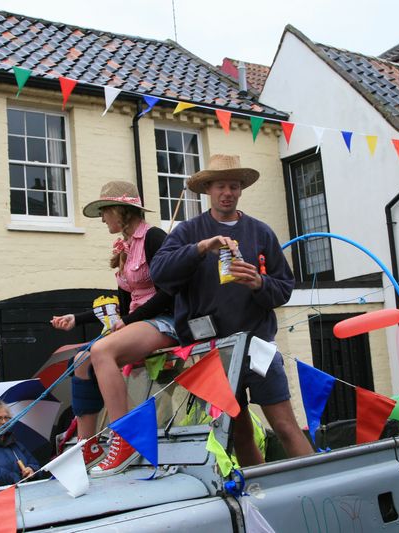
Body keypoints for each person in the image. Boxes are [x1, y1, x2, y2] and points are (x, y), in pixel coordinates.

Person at [150, 154, 313, 467]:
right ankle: (260, 494)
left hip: (257, 346)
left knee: (285, 425)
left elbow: (284, 288)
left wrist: (259, 283)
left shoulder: (261, 233)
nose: (228, 192)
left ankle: (317, 489)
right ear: (209, 189)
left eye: (234, 186)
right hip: (212, 352)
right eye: (221, 185)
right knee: (239, 432)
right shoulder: (188, 231)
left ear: (241, 190)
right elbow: (159, 273)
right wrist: (201, 248)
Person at [51, 181, 177, 476]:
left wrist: (130, 322)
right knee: (81, 361)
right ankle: (88, 444)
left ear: (121, 210)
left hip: (166, 321)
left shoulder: (154, 237)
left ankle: (126, 439)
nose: (103, 218)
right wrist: (77, 318)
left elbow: (170, 292)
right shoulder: (124, 247)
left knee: (101, 350)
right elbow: (121, 305)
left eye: (105, 211)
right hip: (139, 323)